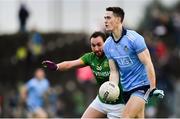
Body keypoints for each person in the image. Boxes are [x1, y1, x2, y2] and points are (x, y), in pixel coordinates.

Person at [42, 31, 125, 118]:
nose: (96, 48)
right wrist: (56, 66)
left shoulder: (114, 55)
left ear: (105, 43)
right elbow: (70, 64)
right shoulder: (89, 57)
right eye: (93, 45)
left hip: (118, 104)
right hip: (102, 100)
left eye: (99, 44)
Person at [103, 7, 164, 118]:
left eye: (108, 18)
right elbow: (114, 71)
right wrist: (112, 87)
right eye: (105, 18)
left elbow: (147, 63)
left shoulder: (134, 38)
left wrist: (153, 87)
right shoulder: (107, 45)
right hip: (126, 89)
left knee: (126, 116)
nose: (105, 21)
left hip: (142, 86)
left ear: (118, 19)